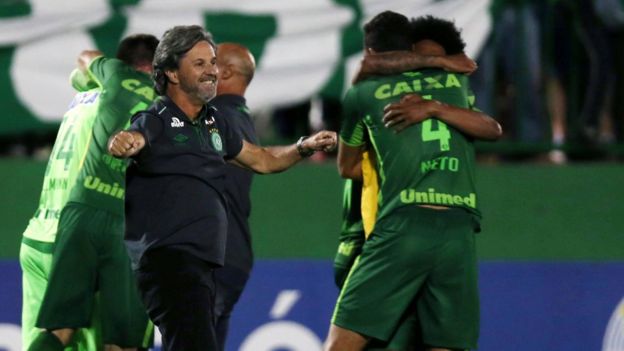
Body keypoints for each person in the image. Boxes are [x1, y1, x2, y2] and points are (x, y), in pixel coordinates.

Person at [107, 25, 336, 351]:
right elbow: (136, 137)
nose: (211, 71)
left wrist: (303, 146)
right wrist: (126, 141)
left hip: (202, 265)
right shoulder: (157, 117)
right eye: (199, 64)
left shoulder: (214, 122)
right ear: (172, 73)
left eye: (212, 62)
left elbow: (262, 160)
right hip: (170, 262)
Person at [326, 12, 502, 351]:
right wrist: (435, 105)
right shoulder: (452, 82)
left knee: (340, 343)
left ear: (371, 53)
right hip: (459, 228)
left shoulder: (365, 93)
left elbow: (347, 168)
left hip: (402, 223)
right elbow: (492, 128)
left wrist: (394, 163)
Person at [28, 34, 159, 351]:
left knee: (56, 332)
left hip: (52, 229)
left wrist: (83, 74)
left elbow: (85, 60)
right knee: (123, 340)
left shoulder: (87, 96)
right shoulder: (160, 104)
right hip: (117, 222)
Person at [209, 42, 258, 350]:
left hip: (213, 255)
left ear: (224, 72)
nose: (201, 70)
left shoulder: (214, 118)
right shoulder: (241, 119)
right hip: (233, 254)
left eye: (208, 63)